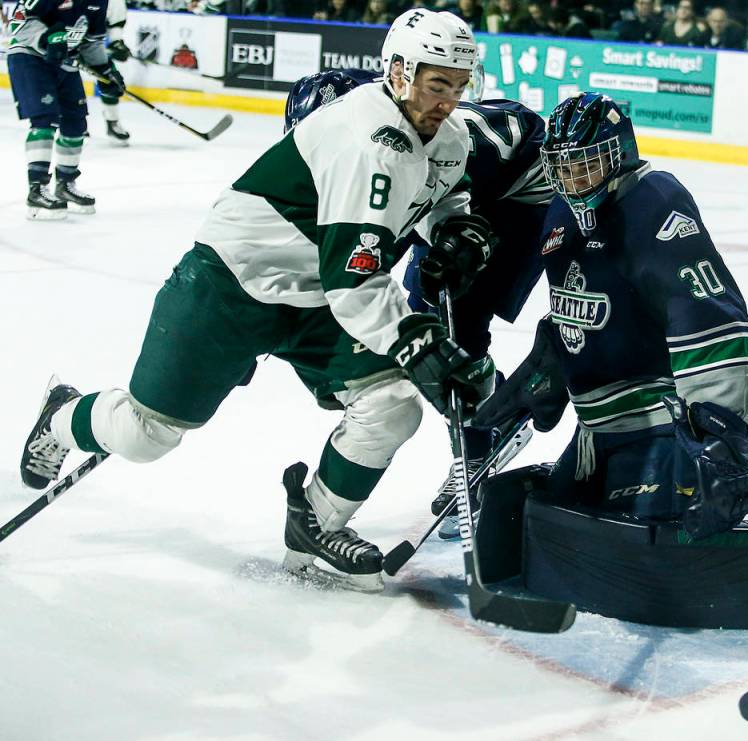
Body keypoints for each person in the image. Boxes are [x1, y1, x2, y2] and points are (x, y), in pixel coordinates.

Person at [19, 9, 493, 593]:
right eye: (435, 83)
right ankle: (64, 416)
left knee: (393, 403)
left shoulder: (450, 137)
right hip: (231, 283)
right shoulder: (367, 139)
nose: (447, 100)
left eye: (457, 85)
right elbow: (355, 282)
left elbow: (444, 194)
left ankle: (313, 530)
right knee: (146, 436)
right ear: (397, 71)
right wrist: (420, 341)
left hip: (319, 296)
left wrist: (456, 229)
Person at [475, 91, 748, 525]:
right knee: (529, 527)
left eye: (587, 165)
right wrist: (549, 368)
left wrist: (722, 440)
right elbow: (578, 311)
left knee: (632, 540)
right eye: (564, 169)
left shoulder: (652, 202)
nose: (574, 182)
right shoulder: (558, 214)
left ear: (621, 155)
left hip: (669, 424)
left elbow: (708, 315)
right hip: (600, 429)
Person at [283, 65, 553, 532]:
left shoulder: (430, 142)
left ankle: (483, 438)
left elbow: (520, 127)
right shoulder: (372, 143)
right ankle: (491, 414)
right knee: (420, 308)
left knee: (445, 319)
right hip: (468, 190)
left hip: (522, 199)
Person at [5, 0, 124, 219]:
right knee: (45, 120)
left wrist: (105, 70)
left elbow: (91, 41)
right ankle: (36, 189)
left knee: (76, 123)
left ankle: (65, 183)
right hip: (30, 58)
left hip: (65, 63)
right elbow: (18, 22)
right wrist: (45, 37)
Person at [100, 0, 130, 146]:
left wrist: (117, 43)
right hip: (62, 40)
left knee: (109, 78)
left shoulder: (115, 2)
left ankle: (112, 122)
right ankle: (68, 120)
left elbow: (115, 25)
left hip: (91, 44)